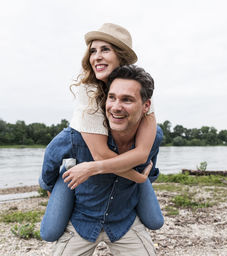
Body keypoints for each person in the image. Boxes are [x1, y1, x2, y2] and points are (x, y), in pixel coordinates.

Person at [39, 23, 163, 242]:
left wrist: (143, 177)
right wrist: (137, 177)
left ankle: (125, 203)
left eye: (105, 49)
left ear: (121, 56)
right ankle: (60, 178)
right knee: (49, 232)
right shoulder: (88, 91)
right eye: (93, 51)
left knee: (155, 221)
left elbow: (144, 152)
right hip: (82, 155)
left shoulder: (138, 85)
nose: (96, 56)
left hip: (113, 160)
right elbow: (100, 156)